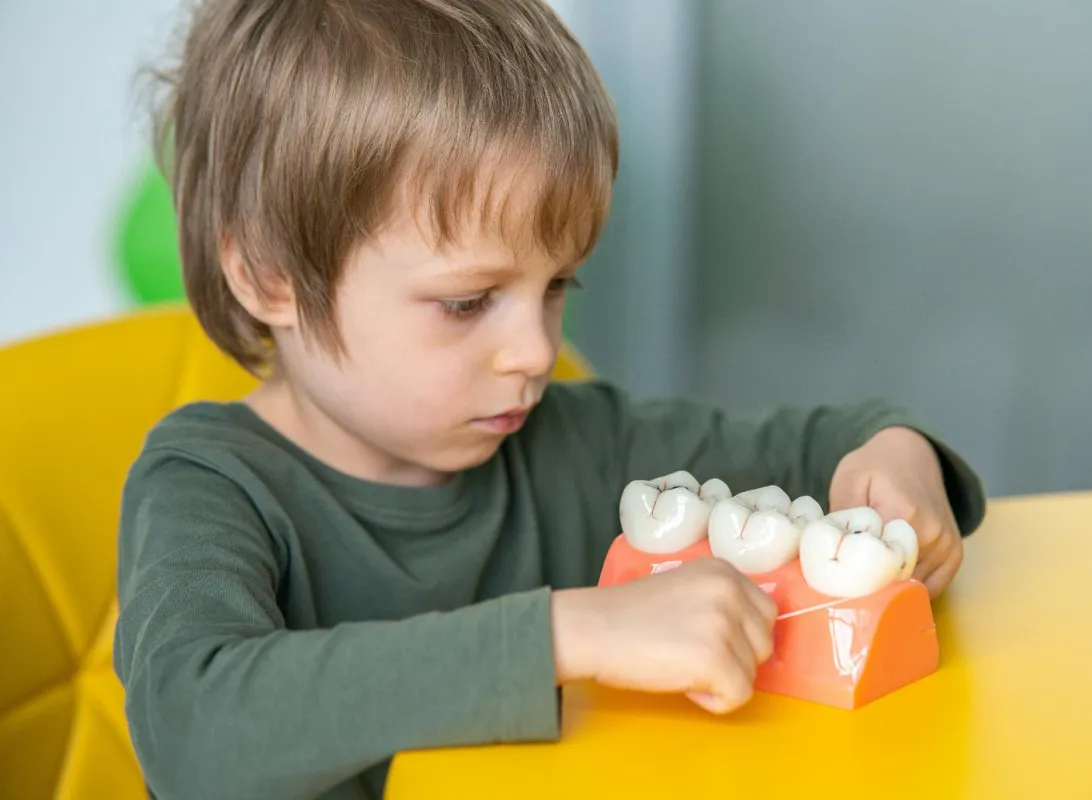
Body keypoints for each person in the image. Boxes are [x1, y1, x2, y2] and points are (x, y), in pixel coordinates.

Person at [113, 1, 987, 798]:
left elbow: (826, 443)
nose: (536, 352)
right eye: (467, 302)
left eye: (557, 286)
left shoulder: (575, 440)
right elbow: (193, 728)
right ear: (268, 275)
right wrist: (574, 635)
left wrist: (895, 456)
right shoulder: (208, 484)